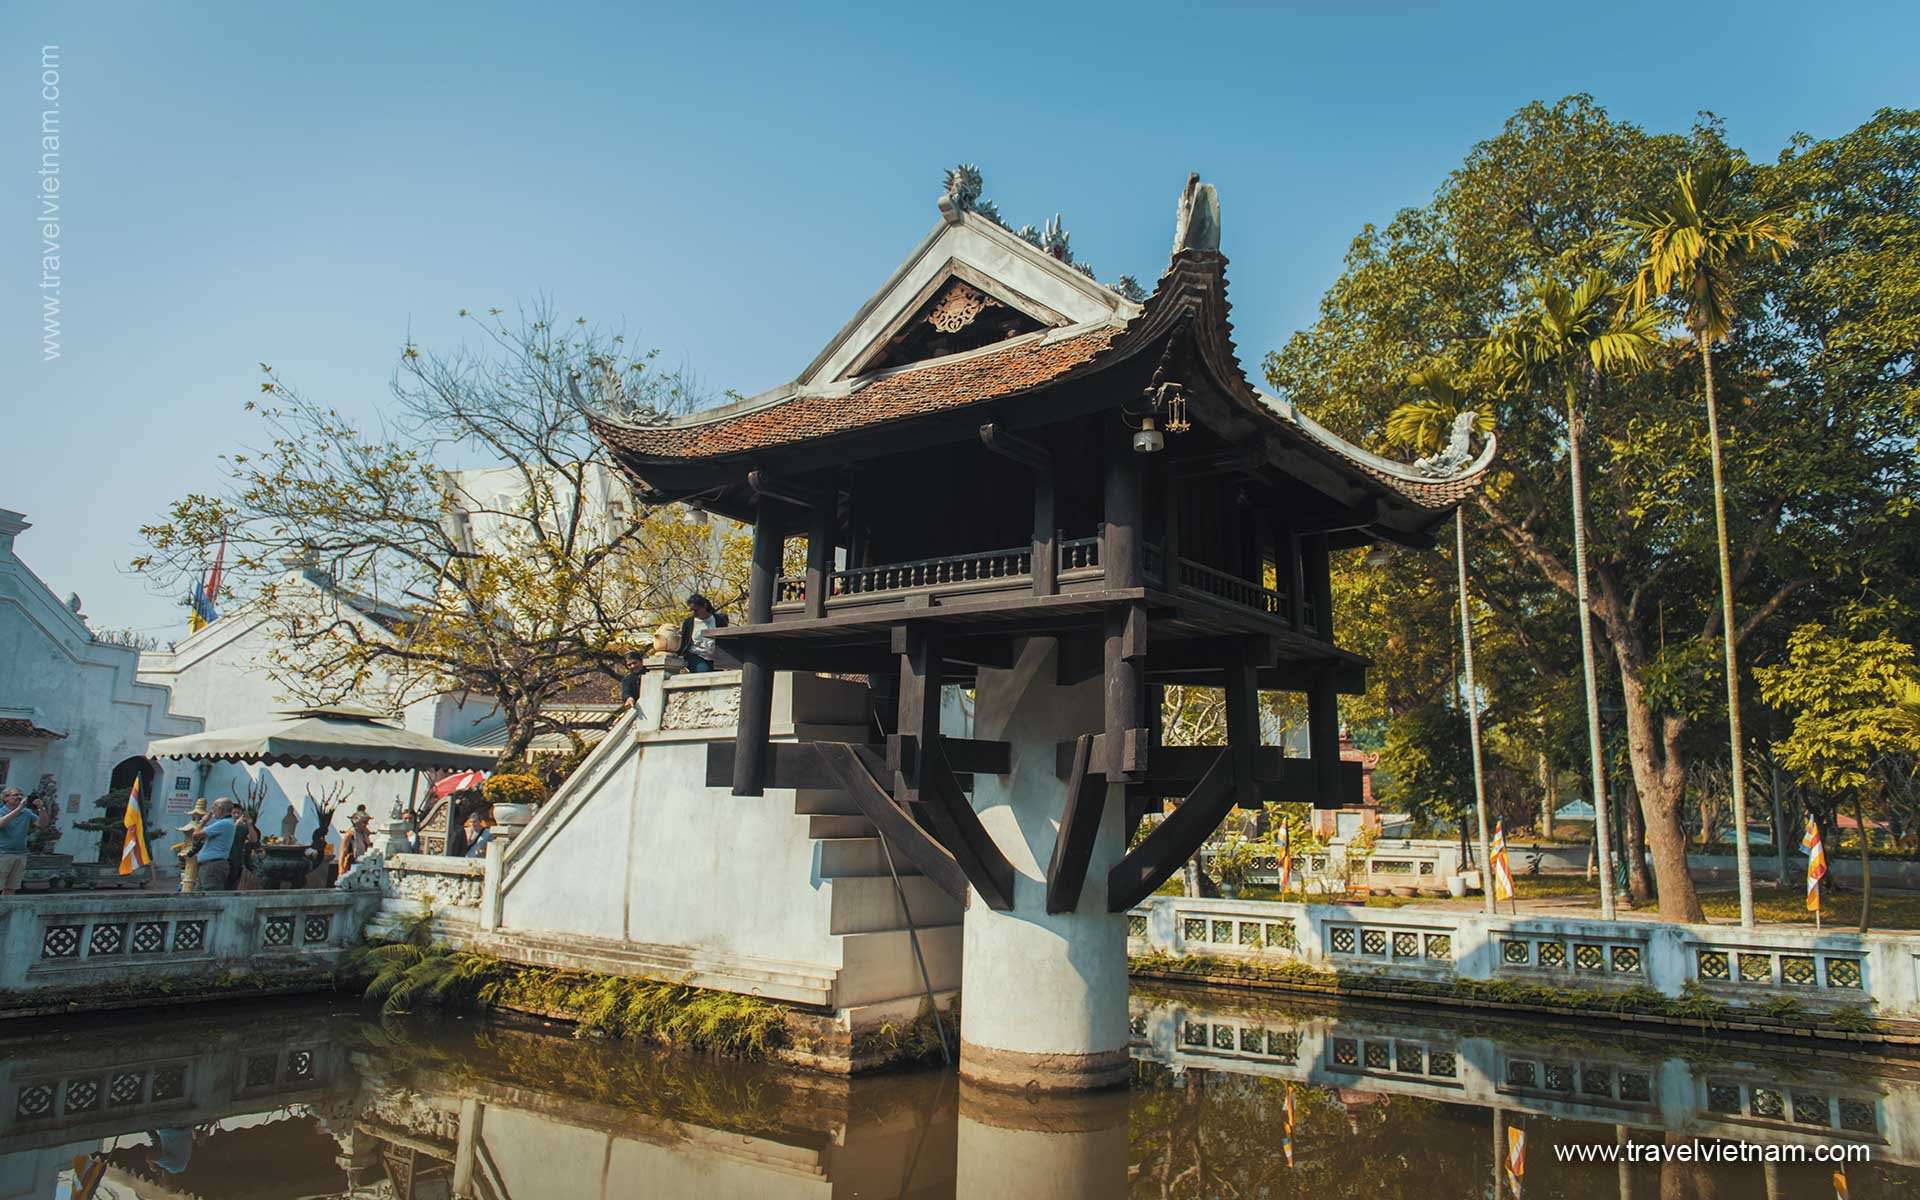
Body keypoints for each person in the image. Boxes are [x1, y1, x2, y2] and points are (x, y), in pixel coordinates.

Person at [0, 787, 49, 896]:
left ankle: (6, 911)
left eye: (21, 795)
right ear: (5, 798)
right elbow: (1, 824)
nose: (19, 797)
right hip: (2, 854)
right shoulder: (1, 811)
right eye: (15, 794)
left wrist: (41, 808)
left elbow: (43, 824)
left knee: (11, 888)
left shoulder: (26, 812)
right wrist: (18, 809)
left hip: (20, 854)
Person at [193, 799, 239, 892]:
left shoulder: (224, 823)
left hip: (213, 866)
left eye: (214, 807)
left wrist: (204, 820)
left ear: (220, 809)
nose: (212, 810)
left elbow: (196, 835)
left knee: (210, 895)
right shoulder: (226, 822)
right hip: (209, 865)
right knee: (198, 895)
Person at [679, 594, 727, 673]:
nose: (694, 613)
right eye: (692, 611)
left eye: (696, 610)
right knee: (703, 671)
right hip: (696, 655)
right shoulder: (688, 623)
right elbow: (684, 641)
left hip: (715, 657)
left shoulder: (719, 620)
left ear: (704, 606)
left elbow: (725, 639)